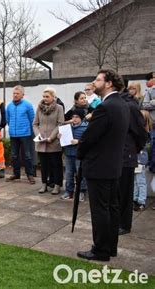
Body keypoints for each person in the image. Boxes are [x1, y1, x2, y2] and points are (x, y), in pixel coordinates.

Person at [77, 69, 129, 262]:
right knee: (111, 208)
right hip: (113, 165)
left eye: (98, 79)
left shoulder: (106, 107)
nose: (94, 82)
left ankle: (100, 250)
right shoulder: (121, 104)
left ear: (108, 84)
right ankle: (110, 247)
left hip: (100, 166)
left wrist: (80, 153)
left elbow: (90, 137)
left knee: (101, 210)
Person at [118, 87, 147, 235]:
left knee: (125, 192)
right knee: (117, 192)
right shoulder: (114, 103)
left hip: (126, 155)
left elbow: (141, 132)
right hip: (116, 155)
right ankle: (118, 222)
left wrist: (134, 149)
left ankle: (124, 224)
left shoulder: (129, 105)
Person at [33, 87, 64, 194]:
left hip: (53, 141)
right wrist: (39, 136)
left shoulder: (59, 108)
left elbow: (60, 123)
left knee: (56, 165)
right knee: (43, 165)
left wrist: (52, 137)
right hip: (41, 142)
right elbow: (35, 124)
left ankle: (57, 185)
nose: (45, 98)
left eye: (47, 96)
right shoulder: (39, 108)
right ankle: (44, 184)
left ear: (53, 97)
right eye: (44, 96)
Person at [6, 85, 36, 184]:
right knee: (14, 155)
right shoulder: (9, 106)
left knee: (27, 155)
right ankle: (16, 174)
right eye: (14, 93)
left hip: (25, 134)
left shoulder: (28, 105)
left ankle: (30, 175)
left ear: (22, 95)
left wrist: (32, 132)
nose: (15, 95)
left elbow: (33, 120)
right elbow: (8, 119)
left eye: (17, 93)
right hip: (13, 135)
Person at [60, 108, 88, 200]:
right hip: (68, 154)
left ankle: (81, 191)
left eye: (77, 117)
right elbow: (63, 138)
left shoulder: (86, 127)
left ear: (81, 118)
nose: (74, 119)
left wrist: (78, 141)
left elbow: (88, 140)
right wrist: (59, 136)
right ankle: (69, 191)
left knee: (80, 174)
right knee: (68, 174)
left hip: (79, 155)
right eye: (73, 117)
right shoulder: (68, 127)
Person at [133, 110, 152, 211]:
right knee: (135, 181)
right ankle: (135, 199)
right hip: (135, 159)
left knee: (140, 182)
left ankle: (141, 201)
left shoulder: (144, 133)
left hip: (140, 159)